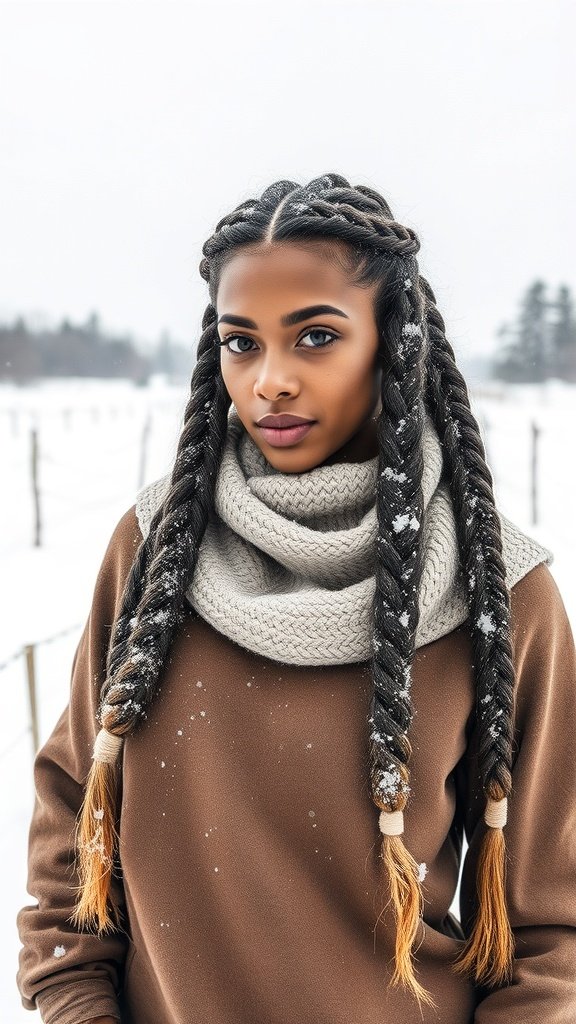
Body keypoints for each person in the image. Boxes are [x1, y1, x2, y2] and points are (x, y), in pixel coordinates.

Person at [16, 174, 576, 1023]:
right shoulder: (154, 549)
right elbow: (72, 820)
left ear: (394, 343)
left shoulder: (500, 590)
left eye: (315, 336)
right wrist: (76, 1006)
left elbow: (553, 938)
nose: (270, 379)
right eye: (242, 343)